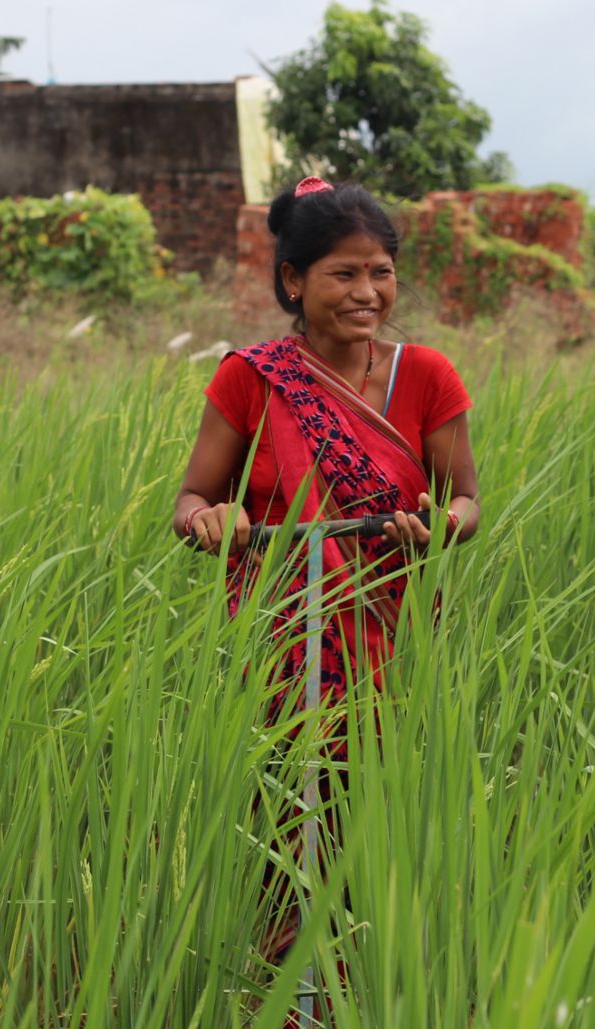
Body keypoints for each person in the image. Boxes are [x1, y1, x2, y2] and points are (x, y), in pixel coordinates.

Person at [173, 176, 480, 715]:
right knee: (278, 790)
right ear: (293, 278)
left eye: (380, 273)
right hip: (279, 646)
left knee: (391, 791)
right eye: (344, 274)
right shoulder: (251, 378)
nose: (366, 293)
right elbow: (191, 499)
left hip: (395, 640)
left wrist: (443, 525)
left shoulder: (428, 375)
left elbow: (466, 501)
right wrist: (210, 520)